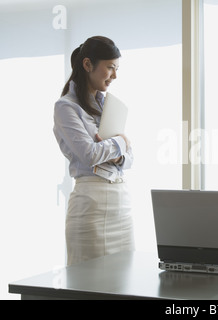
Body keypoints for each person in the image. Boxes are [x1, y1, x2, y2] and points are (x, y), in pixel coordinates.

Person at [53, 36, 135, 266]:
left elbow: (130, 159)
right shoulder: (66, 107)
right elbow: (89, 154)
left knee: (126, 282)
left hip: (121, 204)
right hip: (90, 207)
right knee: (88, 286)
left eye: (116, 68)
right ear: (88, 65)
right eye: (110, 67)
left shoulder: (108, 105)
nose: (114, 75)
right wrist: (119, 142)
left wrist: (118, 151)